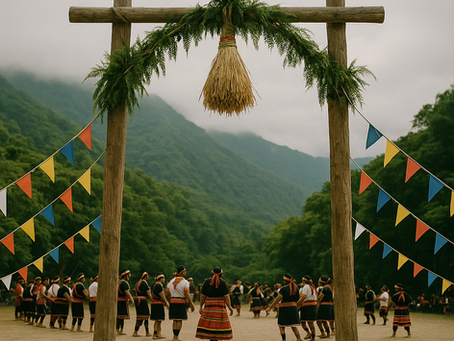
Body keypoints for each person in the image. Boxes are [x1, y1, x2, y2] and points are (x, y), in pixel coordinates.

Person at [195, 266, 234, 340]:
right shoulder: (222, 282)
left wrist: (201, 306)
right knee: (219, 327)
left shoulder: (207, 282)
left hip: (209, 307)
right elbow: (226, 296)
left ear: (212, 273)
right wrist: (230, 307)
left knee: (210, 327)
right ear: (221, 273)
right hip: (219, 307)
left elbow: (203, 295)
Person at [266, 273, 302, 341]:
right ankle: (298, 338)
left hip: (284, 308)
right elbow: (298, 299)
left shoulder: (283, 288)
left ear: (285, 280)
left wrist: (270, 307)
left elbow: (278, 298)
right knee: (293, 325)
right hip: (293, 307)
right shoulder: (296, 288)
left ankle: (284, 339)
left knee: (281, 325)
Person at [166, 265, 195, 341]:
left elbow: (167, 292)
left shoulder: (171, 281)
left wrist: (170, 300)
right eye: (185, 271)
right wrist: (191, 303)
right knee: (179, 319)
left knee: (175, 320)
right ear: (182, 272)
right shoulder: (185, 282)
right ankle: (176, 337)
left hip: (173, 301)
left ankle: (174, 336)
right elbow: (186, 293)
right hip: (181, 302)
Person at [133, 272, 153, 337]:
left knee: (141, 317)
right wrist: (152, 299)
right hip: (142, 301)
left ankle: (139, 331)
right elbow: (148, 292)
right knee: (144, 317)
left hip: (138, 300)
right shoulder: (144, 283)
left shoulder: (137, 283)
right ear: (145, 276)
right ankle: (140, 332)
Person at [150, 273, 169, 339]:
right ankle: (155, 334)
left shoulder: (155, 285)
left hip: (155, 303)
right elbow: (162, 295)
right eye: (163, 278)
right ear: (160, 279)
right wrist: (166, 302)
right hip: (157, 303)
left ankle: (159, 333)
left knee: (159, 320)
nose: (164, 279)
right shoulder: (158, 285)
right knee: (157, 320)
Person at [298, 275, 317, 340]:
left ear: (303, 281)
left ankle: (310, 334)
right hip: (312, 305)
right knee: (309, 321)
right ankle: (311, 335)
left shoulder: (306, 287)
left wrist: (297, 304)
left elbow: (303, 297)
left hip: (307, 305)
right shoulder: (312, 287)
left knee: (306, 322)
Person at [117, 269, 134, 335]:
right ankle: (119, 330)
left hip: (118, 301)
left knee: (119, 316)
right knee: (121, 316)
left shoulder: (118, 282)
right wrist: (131, 299)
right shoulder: (124, 283)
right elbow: (127, 292)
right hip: (122, 301)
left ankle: (119, 330)